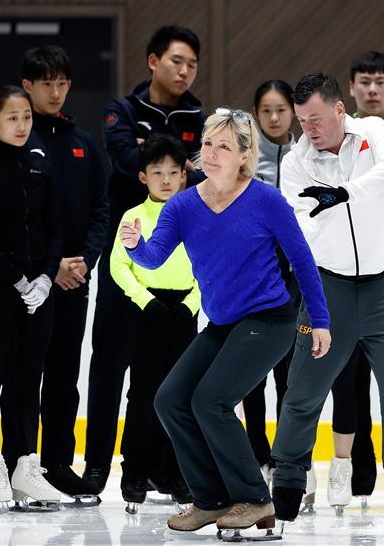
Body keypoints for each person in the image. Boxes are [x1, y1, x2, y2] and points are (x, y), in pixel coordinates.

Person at [120, 108, 330, 538]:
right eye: (208, 144)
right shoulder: (183, 205)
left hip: (269, 320)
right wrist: (137, 245)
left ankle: (256, 498)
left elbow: (303, 262)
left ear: (244, 155)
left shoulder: (266, 200)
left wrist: (320, 321)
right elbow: (154, 258)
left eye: (224, 147)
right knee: (171, 400)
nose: (211, 154)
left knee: (211, 401)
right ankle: (211, 499)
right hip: (222, 324)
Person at [270, 73, 384, 537]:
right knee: (302, 392)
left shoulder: (375, 132)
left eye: (316, 119)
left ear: (340, 110)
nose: (308, 130)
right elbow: (302, 226)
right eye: (302, 122)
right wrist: (336, 206)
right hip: (328, 289)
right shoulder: (297, 161)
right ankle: (286, 486)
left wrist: (342, 194)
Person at [85, 25, 205, 491]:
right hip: (128, 252)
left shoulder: (200, 114)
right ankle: (97, 463)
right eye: (177, 61)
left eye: (192, 64)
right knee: (111, 364)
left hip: (177, 261)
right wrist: (176, 159)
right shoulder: (123, 110)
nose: (185, 71)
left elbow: (203, 172)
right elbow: (121, 158)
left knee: (170, 376)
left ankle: (161, 466)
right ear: (154, 61)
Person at [0, 46, 108, 504]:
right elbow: (10, 216)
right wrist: (50, 265)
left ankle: (58, 464)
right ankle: (16, 464)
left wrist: (84, 261)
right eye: (47, 83)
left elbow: (102, 209)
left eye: (63, 82)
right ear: (27, 85)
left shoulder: (81, 142)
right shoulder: (17, 143)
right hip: (30, 282)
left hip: (76, 278)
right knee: (25, 374)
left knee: (64, 374)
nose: (56, 91)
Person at [0, 85, 63, 512]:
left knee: (30, 378)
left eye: (26, 116)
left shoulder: (42, 167)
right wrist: (21, 280)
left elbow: (55, 229)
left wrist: (43, 279)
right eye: (12, 117)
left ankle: (26, 465)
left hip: (40, 293)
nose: (22, 125)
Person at [110, 134, 199, 512]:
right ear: (143, 176)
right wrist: (145, 301)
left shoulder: (196, 215)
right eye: (157, 171)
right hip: (146, 311)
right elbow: (118, 265)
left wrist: (193, 304)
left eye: (173, 172)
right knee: (143, 392)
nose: (166, 179)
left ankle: (174, 470)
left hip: (184, 312)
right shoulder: (134, 216)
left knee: (180, 396)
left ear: (183, 176)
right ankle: (135, 471)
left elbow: (208, 267)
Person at [241, 79, 298, 488]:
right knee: (252, 373)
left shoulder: (306, 158)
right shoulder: (245, 162)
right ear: (256, 115)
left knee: (290, 374)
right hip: (253, 280)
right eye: (266, 111)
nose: (274, 117)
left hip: (294, 279)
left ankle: (287, 454)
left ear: (292, 111)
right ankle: (256, 450)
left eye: (280, 109)